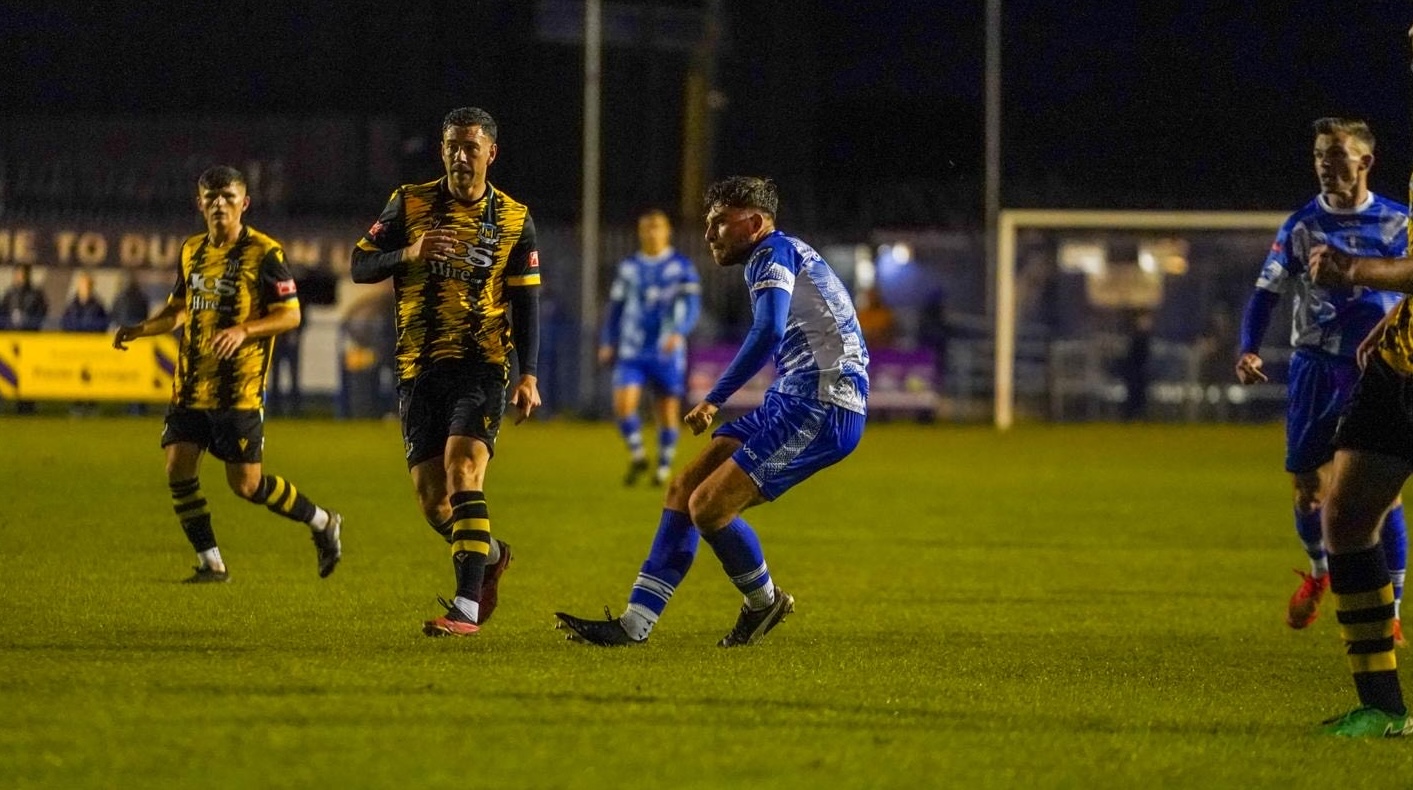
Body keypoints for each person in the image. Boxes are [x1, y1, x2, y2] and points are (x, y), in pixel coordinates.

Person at [555, 176, 869, 648]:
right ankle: (632, 625)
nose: (710, 234)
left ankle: (764, 603)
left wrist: (713, 398)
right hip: (791, 397)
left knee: (709, 508)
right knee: (685, 489)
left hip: (823, 404)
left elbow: (767, 332)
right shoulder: (782, 252)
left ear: (756, 223)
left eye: (721, 222)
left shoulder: (771, 252)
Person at [350, 106, 541, 637]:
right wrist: (407, 251)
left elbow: (527, 303)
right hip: (418, 368)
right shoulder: (408, 203)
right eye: (452, 145)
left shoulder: (514, 219)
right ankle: (493, 555)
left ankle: (466, 609)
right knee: (434, 503)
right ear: (443, 150)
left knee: (463, 474)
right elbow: (359, 263)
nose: (461, 155)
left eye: (470, 146)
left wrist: (529, 374)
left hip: (483, 364)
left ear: (490, 153)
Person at [113, 165, 342, 584]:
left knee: (247, 486)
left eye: (229, 197)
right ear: (199, 203)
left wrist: (244, 330)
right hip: (189, 386)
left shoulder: (265, 254)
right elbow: (177, 310)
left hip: (238, 390)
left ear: (244, 204)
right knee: (177, 470)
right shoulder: (191, 251)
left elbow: (290, 316)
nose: (220, 204)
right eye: (212, 198)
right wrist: (140, 328)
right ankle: (211, 562)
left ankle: (323, 521)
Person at [1235, 117, 1408, 645]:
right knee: (1309, 491)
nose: (1325, 166)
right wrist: (1247, 346)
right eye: (1318, 156)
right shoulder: (1300, 226)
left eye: (1336, 155)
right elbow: (1266, 292)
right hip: (1314, 366)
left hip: (1373, 368)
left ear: (1365, 162)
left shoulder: (1400, 224)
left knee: (1380, 492)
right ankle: (1319, 573)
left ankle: (1393, 608)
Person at [598, 208, 702, 486]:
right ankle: (638, 455)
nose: (652, 233)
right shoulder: (629, 267)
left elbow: (692, 306)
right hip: (632, 350)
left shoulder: (682, 267)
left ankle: (663, 467)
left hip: (666, 351)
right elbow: (615, 308)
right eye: (647, 228)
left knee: (667, 410)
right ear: (640, 232)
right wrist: (608, 340)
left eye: (657, 227)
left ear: (667, 231)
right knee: (623, 406)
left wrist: (679, 332)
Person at [61, 270, 110, 415]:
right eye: (83, 284)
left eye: (88, 284)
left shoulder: (97, 305)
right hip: (76, 347)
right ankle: (77, 404)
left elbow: (104, 323)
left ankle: (91, 404)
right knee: (76, 375)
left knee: (92, 376)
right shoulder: (72, 305)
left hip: (92, 347)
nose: (85, 287)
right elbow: (66, 322)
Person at [109, 271, 153, 415]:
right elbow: (145, 316)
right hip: (139, 339)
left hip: (126, 339)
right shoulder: (141, 298)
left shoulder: (120, 298)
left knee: (130, 374)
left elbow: (114, 315)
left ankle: (133, 406)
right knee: (139, 373)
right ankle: (138, 406)